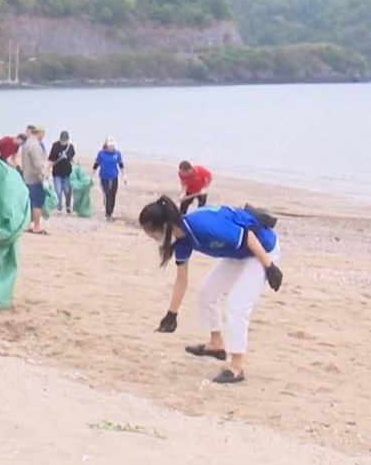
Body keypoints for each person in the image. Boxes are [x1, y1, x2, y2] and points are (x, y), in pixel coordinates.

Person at [138, 196, 283, 384]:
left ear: (166, 225)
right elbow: (181, 279)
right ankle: (216, 345)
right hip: (237, 254)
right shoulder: (181, 239)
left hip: (261, 250)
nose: (153, 238)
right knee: (206, 293)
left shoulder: (203, 226)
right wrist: (171, 314)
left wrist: (269, 267)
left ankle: (237, 367)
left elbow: (248, 236)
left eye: (153, 233)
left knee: (237, 305)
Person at [22, 125, 49, 234]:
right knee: (37, 204)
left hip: (27, 177)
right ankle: (36, 226)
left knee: (30, 203)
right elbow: (38, 165)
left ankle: (28, 224)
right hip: (35, 179)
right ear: (39, 132)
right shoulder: (35, 146)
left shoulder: (27, 143)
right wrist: (44, 179)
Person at [93, 136, 126, 221]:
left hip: (114, 176)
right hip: (104, 177)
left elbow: (121, 165)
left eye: (112, 146)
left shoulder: (117, 154)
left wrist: (124, 176)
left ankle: (110, 212)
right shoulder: (101, 154)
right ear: (106, 146)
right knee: (107, 194)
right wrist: (92, 175)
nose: (111, 148)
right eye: (110, 146)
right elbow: (96, 164)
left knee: (113, 195)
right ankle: (108, 214)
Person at [48, 131, 76, 214]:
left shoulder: (70, 147)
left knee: (68, 190)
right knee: (58, 190)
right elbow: (51, 159)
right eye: (62, 140)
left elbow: (72, 159)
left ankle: (68, 205)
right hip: (57, 172)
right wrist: (47, 169)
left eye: (65, 140)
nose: (64, 142)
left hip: (67, 172)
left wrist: (76, 168)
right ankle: (59, 207)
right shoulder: (55, 146)